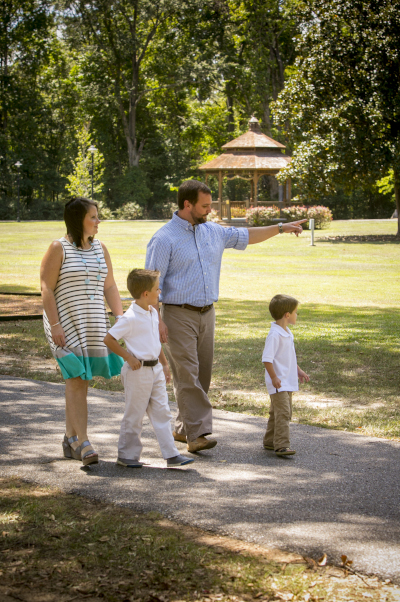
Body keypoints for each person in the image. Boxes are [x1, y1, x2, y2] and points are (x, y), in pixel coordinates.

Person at [145, 179, 307, 453]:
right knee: (188, 374)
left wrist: (280, 228)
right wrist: (157, 319)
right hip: (176, 315)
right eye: (205, 205)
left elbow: (248, 235)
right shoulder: (163, 239)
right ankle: (198, 435)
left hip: (207, 313)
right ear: (188, 205)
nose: (210, 210)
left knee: (202, 375)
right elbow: (151, 285)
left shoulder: (214, 232)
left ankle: (184, 429)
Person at [40, 197, 124, 466]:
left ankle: (70, 438)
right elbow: (46, 289)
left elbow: (109, 286)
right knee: (76, 378)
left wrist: (120, 318)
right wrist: (55, 325)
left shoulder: (100, 248)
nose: (98, 222)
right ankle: (84, 442)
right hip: (65, 322)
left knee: (80, 380)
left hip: (93, 321)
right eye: (93, 217)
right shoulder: (58, 247)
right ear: (79, 220)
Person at [104, 269, 194, 468]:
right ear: (146, 294)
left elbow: (155, 342)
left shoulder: (153, 312)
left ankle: (171, 455)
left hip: (155, 371)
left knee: (162, 412)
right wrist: (128, 357)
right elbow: (109, 339)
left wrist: (164, 364)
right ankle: (127, 455)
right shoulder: (129, 318)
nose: (159, 292)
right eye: (157, 289)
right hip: (138, 373)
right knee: (135, 414)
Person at [262, 294, 310, 456]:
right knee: (284, 412)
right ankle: (282, 445)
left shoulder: (286, 332)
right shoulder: (275, 335)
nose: (297, 315)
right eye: (296, 312)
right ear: (287, 315)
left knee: (277, 412)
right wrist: (274, 377)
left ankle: (270, 441)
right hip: (279, 382)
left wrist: (298, 370)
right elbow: (267, 359)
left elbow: (288, 356)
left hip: (287, 381)